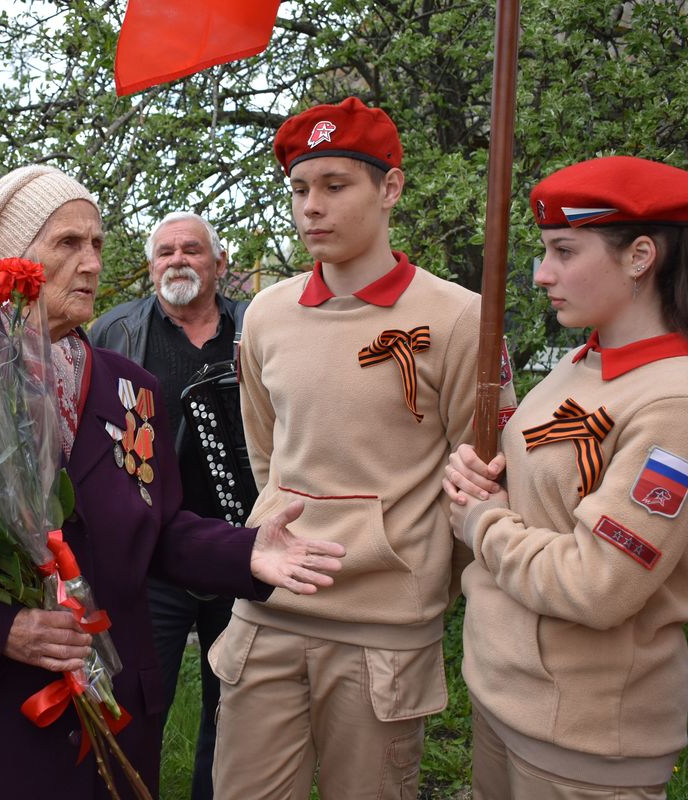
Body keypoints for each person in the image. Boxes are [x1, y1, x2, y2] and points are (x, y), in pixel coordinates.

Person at [0, 165, 345, 799]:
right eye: (68, 244)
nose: (91, 264)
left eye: (98, 244)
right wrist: (1, 630)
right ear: (9, 259)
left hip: (115, 711)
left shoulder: (131, 388)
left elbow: (157, 531)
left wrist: (245, 550)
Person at [211, 97, 515, 800]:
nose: (310, 207)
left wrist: (419, 568)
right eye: (298, 189)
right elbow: (267, 452)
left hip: (383, 628)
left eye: (334, 185)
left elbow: (482, 476)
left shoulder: (461, 317)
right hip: (267, 608)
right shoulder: (266, 315)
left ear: (390, 188)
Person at [443, 156, 688, 800]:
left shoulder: (684, 403)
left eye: (563, 251)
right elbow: (542, 495)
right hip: (506, 697)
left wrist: (482, 522)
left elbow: (599, 585)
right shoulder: (583, 362)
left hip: (584, 736)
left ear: (640, 256)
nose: (541, 274)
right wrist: (485, 477)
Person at [89, 211, 245, 799]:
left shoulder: (258, 327)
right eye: (166, 253)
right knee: (135, 700)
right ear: (151, 266)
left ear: (219, 264)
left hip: (236, 547)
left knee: (232, 706)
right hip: (150, 557)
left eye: (193, 250)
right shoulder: (114, 331)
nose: (178, 261)